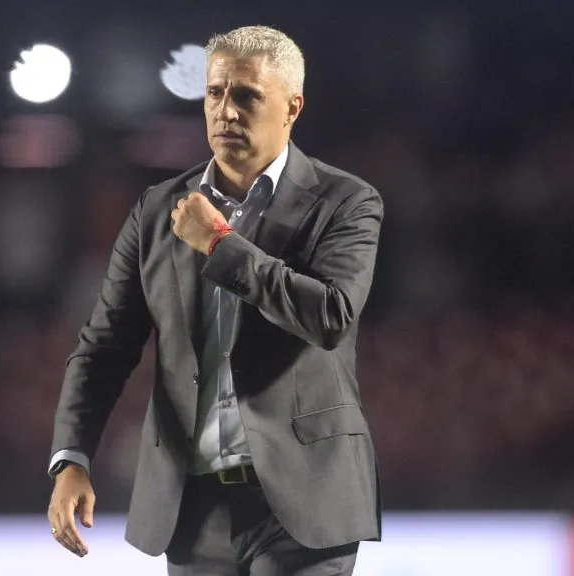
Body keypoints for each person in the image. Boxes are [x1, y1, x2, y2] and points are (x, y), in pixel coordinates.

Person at [47, 25, 384, 575]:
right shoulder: (157, 211)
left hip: (302, 502)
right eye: (215, 93)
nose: (226, 110)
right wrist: (72, 457)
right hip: (192, 508)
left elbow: (329, 316)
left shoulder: (344, 201)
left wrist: (221, 246)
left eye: (246, 95)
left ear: (292, 107)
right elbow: (104, 345)